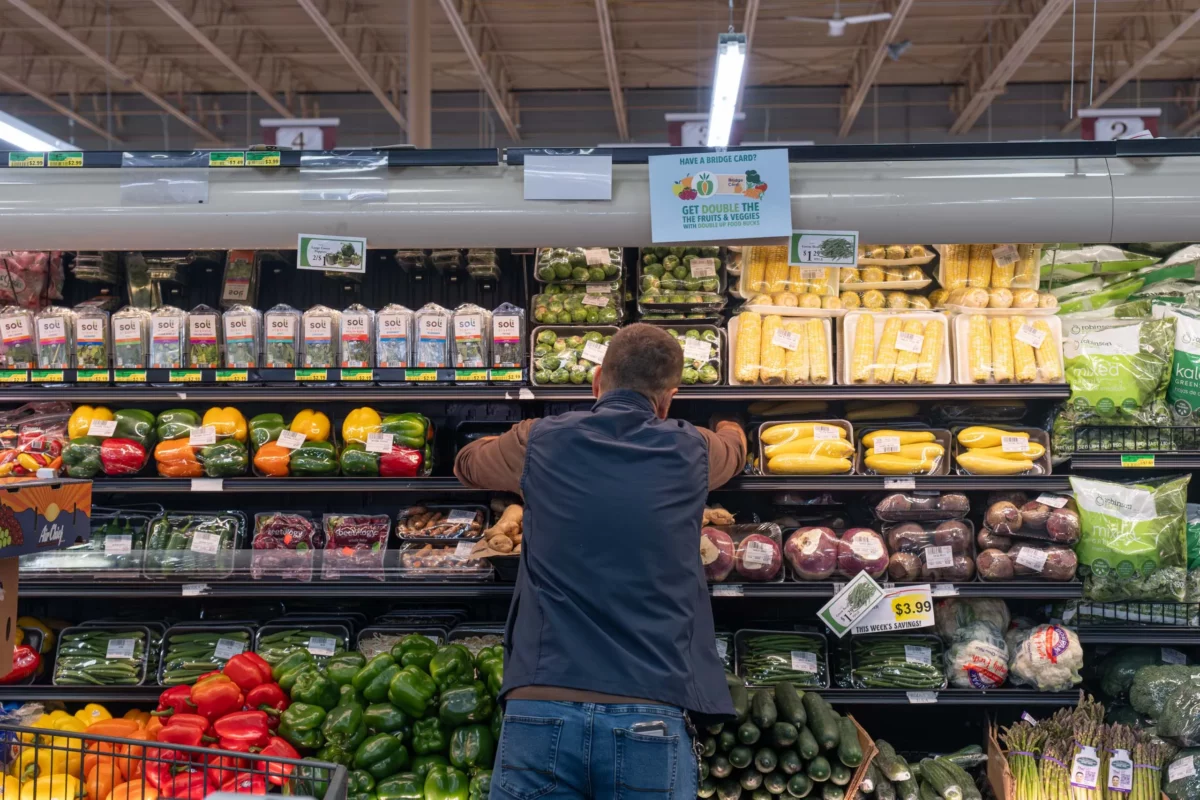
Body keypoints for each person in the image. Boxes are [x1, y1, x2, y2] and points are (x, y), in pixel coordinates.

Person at [454, 323, 748, 800]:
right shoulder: (694, 447)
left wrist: (508, 449)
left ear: (596, 382)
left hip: (541, 701)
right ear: (669, 398)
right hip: (651, 708)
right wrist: (731, 424)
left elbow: (467, 463)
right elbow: (733, 453)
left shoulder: (539, 440)